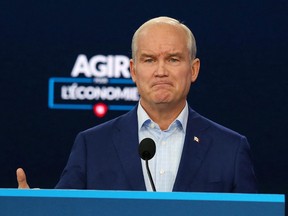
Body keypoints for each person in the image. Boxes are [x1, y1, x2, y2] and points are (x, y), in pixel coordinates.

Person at [17, 16, 257, 192]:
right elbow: (65, 210)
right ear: (133, 70)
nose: (161, 71)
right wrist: (36, 208)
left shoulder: (231, 149)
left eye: (173, 59)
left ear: (193, 69)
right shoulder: (92, 145)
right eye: (149, 60)